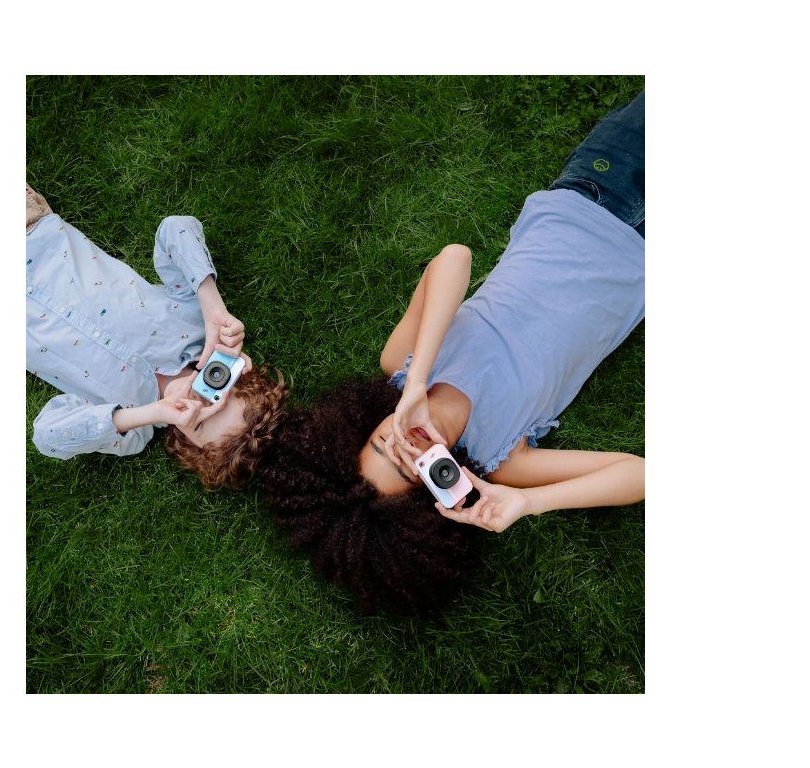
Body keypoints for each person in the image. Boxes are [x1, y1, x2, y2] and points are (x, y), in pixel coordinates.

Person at [259, 91, 645, 614]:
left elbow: (455, 259)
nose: (408, 448)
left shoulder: (403, 365)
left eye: (384, 445)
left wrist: (418, 383)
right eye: (411, 472)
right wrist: (529, 502)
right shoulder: (505, 458)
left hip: (591, 193)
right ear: (439, 492)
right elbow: (639, 473)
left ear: (368, 425)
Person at [26, 185, 287, 489]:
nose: (197, 400)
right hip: (33, 237)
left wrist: (149, 413)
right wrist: (212, 304)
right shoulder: (194, 323)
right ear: (237, 376)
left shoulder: (131, 426)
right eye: (217, 395)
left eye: (199, 421)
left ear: (185, 441)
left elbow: (47, 435)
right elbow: (175, 229)